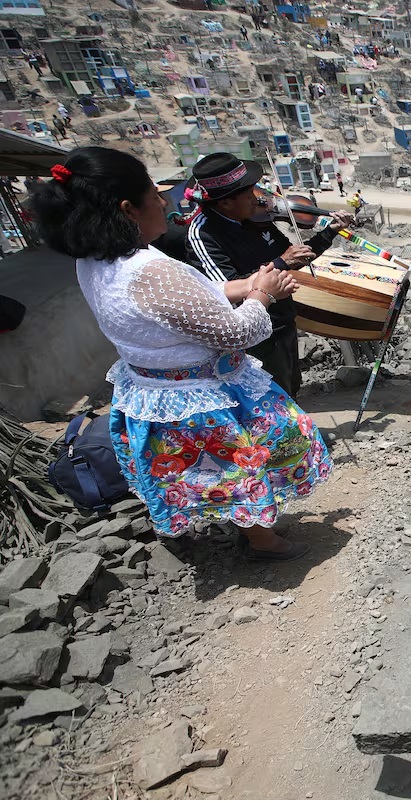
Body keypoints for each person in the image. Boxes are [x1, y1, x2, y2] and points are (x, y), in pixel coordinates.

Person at [30, 147, 331, 559]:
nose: (163, 201)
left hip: (157, 393)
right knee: (241, 462)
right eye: (154, 194)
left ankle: (240, 527)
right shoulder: (152, 270)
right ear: (128, 209)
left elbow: (188, 302)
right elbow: (234, 332)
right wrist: (263, 295)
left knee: (208, 468)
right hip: (201, 396)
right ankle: (262, 540)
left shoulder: (96, 261)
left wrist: (243, 286)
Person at [185, 152, 355, 397]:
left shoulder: (254, 220)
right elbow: (227, 290)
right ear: (225, 203)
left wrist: (330, 232)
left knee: (291, 386)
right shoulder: (203, 234)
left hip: (283, 320)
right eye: (249, 196)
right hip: (255, 337)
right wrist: (280, 263)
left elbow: (294, 258)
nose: (259, 201)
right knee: (270, 396)